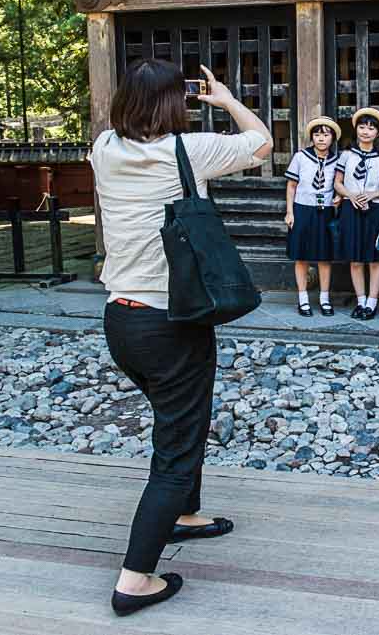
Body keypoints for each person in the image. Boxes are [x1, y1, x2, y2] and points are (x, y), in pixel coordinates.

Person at [90, 58, 273, 615]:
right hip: (171, 322)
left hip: (121, 320)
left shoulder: (103, 147)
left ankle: (186, 514)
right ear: (178, 102)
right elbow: (261, 142)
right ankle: (134, 579)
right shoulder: (186, 150)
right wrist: (222, 98)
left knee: (180, 420)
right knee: (175, 447)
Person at [334, 107, 379, 320]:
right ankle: (360, 301)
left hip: (374, 210)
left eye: (371, 128)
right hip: (351, 209)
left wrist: (372, 194)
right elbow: (337, 183)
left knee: (374, 259)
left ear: (377, 133)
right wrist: (351, 195)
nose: (365, 131)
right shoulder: (346, 154)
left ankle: (372, 302)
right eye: (362, 127)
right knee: (355, 259)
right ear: (356, 129)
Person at [284, 116, 342, 316]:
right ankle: (303, 299)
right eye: (317, 134)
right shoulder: (301, 157)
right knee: (301, 257)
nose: (321, 139)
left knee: (324, 257)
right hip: (302, 209)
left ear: (332, 138)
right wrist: (290, 212)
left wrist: (339, 197)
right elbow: (291, 186)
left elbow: (340, 184)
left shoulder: (337, 160)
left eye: (325, 135)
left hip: (324, 211)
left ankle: (324, 299)